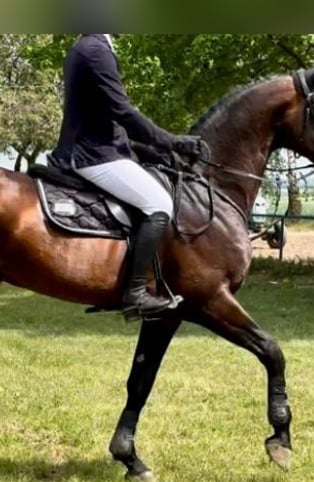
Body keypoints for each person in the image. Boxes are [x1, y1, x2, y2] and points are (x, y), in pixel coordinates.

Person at [50, 34, 202, 317]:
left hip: (97, 147)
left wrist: (158, 153)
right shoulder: (95, 50)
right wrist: (171, 141)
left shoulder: (89, 47)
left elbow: (107, 121)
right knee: (158, 203)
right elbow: (123, 112)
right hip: (91, 153)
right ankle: (135, 293)